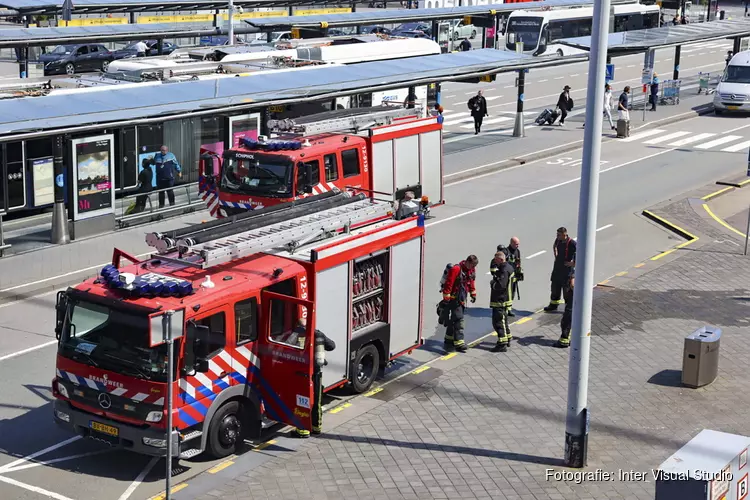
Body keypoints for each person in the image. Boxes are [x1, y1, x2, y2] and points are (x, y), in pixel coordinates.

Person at [291, 319, 336, 438]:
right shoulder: (318, 334)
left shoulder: (295, 334)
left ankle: (303, 430)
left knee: (302, 401)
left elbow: (285, 348)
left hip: (300, 374)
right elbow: (332, 346)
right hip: (316, 374)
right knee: (316, 401)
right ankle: (316, 428)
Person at [440, 255, 478, 353]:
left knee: (453, 319)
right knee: (458, 319)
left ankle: (449, 339)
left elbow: (471, 281)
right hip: (454, 298)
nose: (473, 268)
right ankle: (459, 343)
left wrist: (473, 293)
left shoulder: (470, 270)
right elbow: (449, 283)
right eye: (472, 266)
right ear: (467, 262)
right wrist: (446, 297)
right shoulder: (456, 269)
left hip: (461, 298)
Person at [543, 227, 576, 312]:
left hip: (566, 270)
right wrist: (555, 253)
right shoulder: (558, 240)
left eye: (559, 235)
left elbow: (579, 252)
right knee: (555, 288)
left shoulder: (572, 243)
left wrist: (574, 263)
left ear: (564, 235)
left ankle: (569, 307)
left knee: (566, 290)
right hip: (557, 268)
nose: (557, 236)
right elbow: (554, 246)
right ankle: (553, 305)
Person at [489, 251, 514, 353]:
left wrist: (493, 283)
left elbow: (501, 285)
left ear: (501, 259)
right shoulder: (508, 267)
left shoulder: (504, 270)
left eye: (496, 259)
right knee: (504, 321)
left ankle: (502, 343)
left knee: (498, 322)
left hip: (500, 300)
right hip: (504, 299)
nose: (495, 261)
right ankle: (507, 338)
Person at [499, 237, 522, 317]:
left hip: (513, 277)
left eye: (518, 244)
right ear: (511, 243)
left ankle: (509, 309)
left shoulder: (517, 251)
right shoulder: (505, 251)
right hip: (506, 277)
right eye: (516, 244)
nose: (517, 246)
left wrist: (519, 272)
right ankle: (504, 308)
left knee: (512, 293)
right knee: (505, 293)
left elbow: (518, 262)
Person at [556, 269, 575, 348]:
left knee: (567, 319)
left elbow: (573, 284)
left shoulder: (575, 270)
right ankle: (569, 338)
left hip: (573, 298)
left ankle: (564, 340)